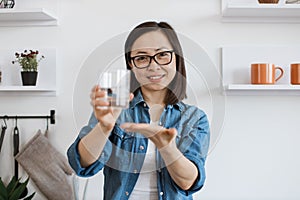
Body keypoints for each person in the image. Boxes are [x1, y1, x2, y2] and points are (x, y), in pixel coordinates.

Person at [67, 21, 210, 200]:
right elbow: (82, 165)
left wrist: (167, 148)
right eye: (142, 58)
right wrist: (103, 128)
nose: (153, 66)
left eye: (163, 55)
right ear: (131, 64)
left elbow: (188, 182)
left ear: (176, 58)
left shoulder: (194, 118)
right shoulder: (114, 107)